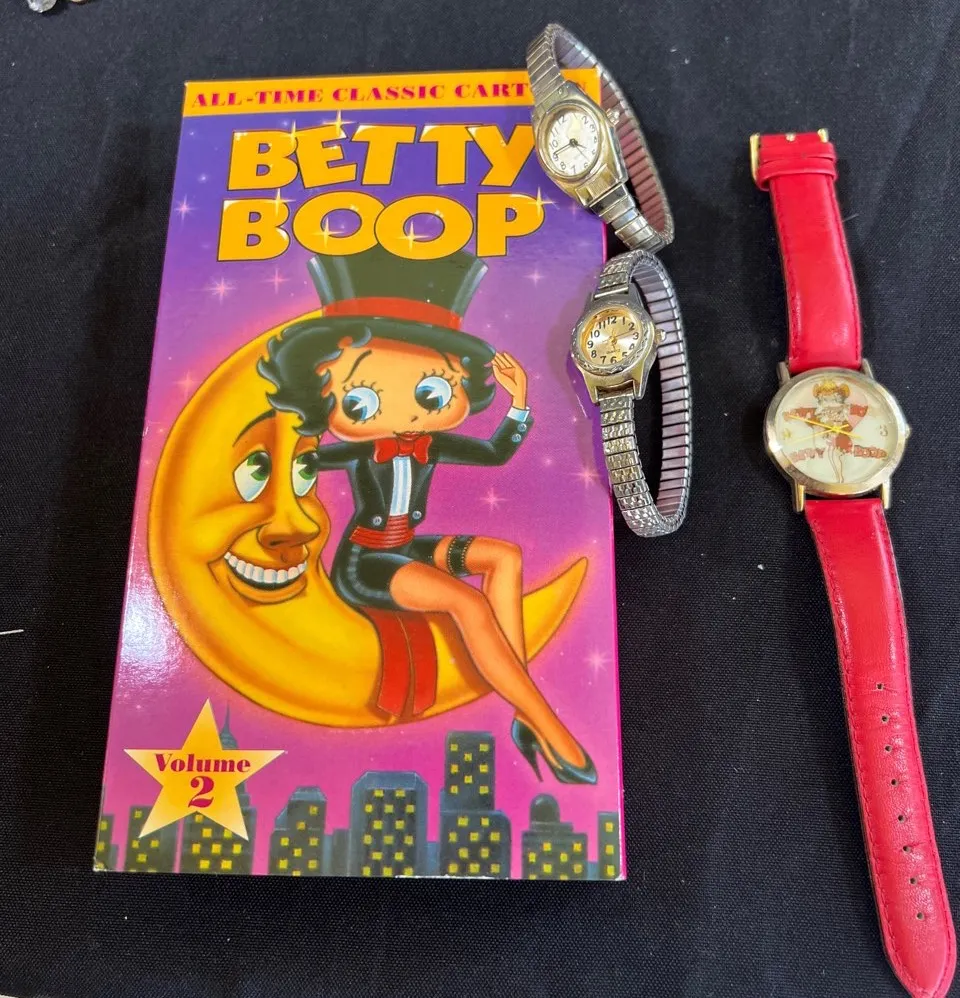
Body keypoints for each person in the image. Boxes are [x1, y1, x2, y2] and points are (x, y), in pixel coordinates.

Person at [258, 245, 595, 785]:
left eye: (431, 392)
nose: (409, 412)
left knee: (503, 557)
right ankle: (548, 725)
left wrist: (519, 403)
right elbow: (306, 456)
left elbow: (495, 453)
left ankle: (522, 704)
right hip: (366, 563)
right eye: (363, 400)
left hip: (408, 547)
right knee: (467, 603)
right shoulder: (357, 450)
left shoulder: (430, 444)